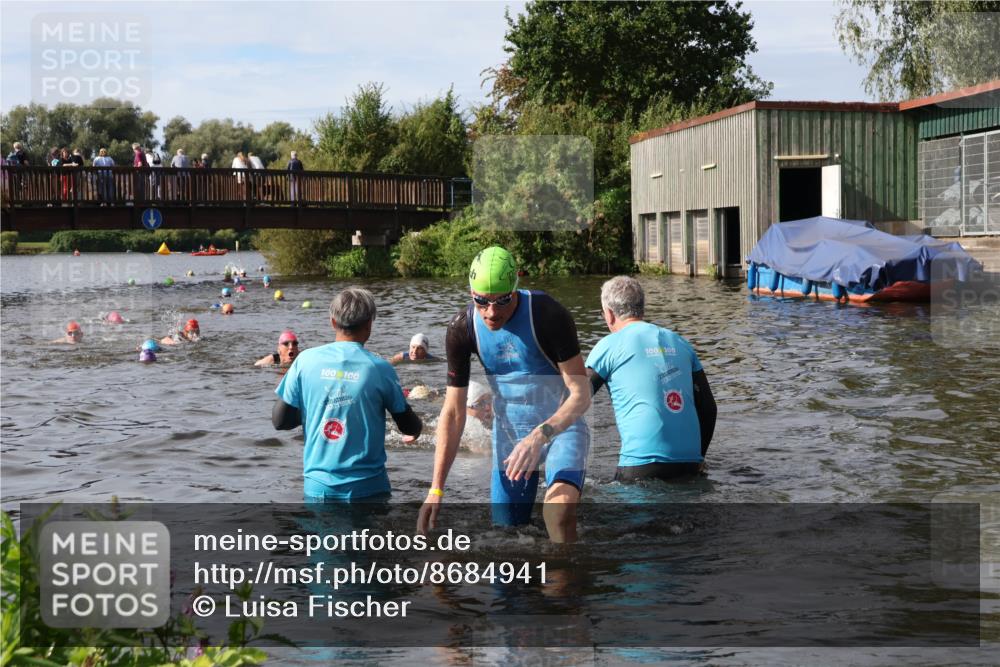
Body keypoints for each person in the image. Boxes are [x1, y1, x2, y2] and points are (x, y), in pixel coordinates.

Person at [417, 246, 591, 543]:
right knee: (508, 537)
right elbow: (454, 411)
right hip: (510, 437)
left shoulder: (547, 314)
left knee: (558, 515)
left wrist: (539, 436)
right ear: (471, 293)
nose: (491, 312)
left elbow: (581, 393)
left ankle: (567, 572)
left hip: (560, 428)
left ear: (515, 289)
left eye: (502, 301)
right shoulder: (462, 328)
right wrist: (436, 488)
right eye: (481, 301)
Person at [272, 287, 422, 501]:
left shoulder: (304, 361)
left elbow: (280, 421)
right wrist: (417, 427)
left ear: (333, 322)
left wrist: (316, 408)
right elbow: (408, 426)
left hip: (318, 488)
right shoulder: (380, 368)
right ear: (369, 324)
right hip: (368, 489)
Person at [585, 276, 717, 482]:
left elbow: (576, 399)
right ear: (642, 309)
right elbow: (709, 409)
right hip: (690, 464)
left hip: (641, 466)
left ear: (609, 314)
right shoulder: (680, 342)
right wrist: (698, 458)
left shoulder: (609, 345)